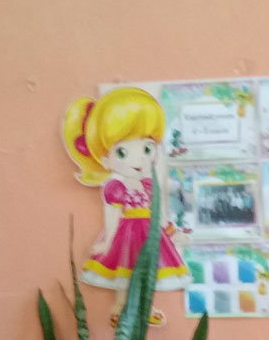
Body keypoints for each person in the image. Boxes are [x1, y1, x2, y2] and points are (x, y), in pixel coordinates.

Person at [62, 86, 189, 298]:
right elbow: (112, 216)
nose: (139, 159)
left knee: (152, 271)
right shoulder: (116, 187)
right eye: (122, 152)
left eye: (147, 149)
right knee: (123, 271)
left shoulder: (149, 184)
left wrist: (171, 232)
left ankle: (144, 308)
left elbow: (158, 214)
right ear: (105, 159)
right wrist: (107, 242)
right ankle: (121, 305)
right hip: (127, 232)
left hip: (150, 231)